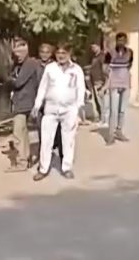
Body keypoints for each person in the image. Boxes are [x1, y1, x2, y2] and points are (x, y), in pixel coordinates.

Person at [33, 43, 85, 180]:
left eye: (64, 53)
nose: (61, 56)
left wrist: (80, 107)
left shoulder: (76, 70)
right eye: (58, 53)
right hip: (51, 109)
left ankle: (66, 167)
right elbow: (43, 88)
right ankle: (43, 169)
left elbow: (80, 89)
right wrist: (37, 105)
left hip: (69, 109)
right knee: (46, 140)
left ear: (69, 53)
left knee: (68, 140)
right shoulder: (50, 68)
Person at [8, 38, 43, 171]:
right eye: (16, 53)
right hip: (21, 101)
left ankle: (22, 162)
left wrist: (9, 80)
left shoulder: (30, 64)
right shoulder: (18, 65)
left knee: (18, 132)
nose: (18, 56)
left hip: (26, 101)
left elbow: (18, 82)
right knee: (22, 132)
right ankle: (25, 159)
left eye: (21, 53)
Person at [104, 32, 134, 145]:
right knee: (113, 110)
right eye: (119, 40)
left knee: (122, 110)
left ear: (126, 41)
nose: (121, 42)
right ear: (116, 41)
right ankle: (110, 135)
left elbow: (129, 65)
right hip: (114, 83)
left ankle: (119, 131)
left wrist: (123, 74)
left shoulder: (130, 52)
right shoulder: (110, 53)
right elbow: (105, 67)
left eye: (123, 40)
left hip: (125, 82)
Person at [87, 41, 109, 127]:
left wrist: (104, 83)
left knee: (103, 102)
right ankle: (101, 119)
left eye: (94, 47)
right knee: (99, 102)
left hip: (100, 82)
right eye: (92, 47)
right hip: (95, 81)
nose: (93, 49)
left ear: (99, 46)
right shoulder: (95, 57)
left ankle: (106, 120)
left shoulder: (102, 57)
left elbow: (105, 70)